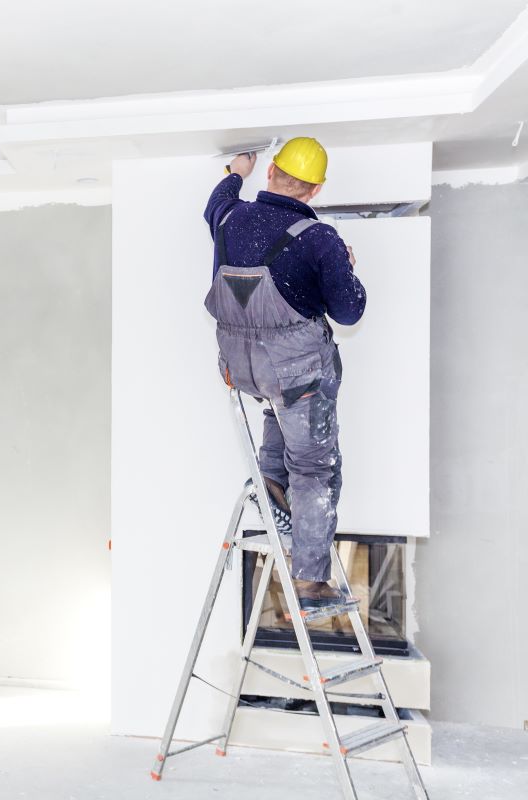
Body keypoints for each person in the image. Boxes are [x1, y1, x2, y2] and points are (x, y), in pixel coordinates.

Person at [202, 137, 366, 611]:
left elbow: (216, 202)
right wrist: (347, 269)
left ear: (271, 171)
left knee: (283, 407)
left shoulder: (230, 218)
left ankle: (273, 483)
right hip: (295, 379)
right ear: (314, 191)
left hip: (242, 372)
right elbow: (349, 312)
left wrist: (236, 170)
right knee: (316, 466)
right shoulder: (319, 239)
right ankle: (311, 583)